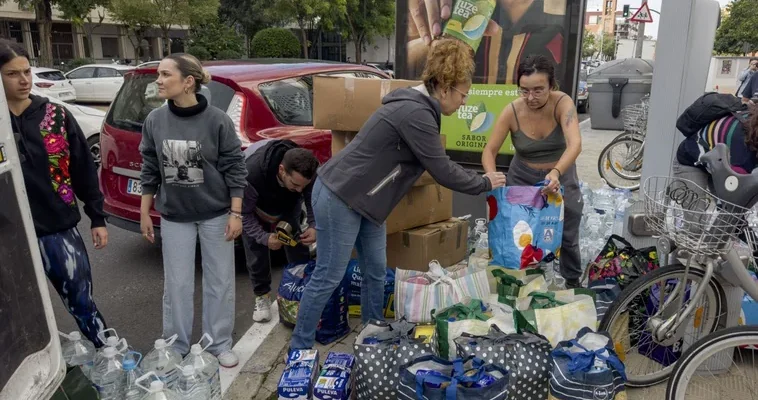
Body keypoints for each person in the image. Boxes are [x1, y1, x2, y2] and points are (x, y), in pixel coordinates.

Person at [289, 38, 506, 350]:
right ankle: (300, 346)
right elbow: (442, 170)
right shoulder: (415, 114)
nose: (463, 102)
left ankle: (373, 328)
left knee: (376, 269)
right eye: (463, 94)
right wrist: (484, 182)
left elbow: (434, 164)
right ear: (444, 87)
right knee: (328, 276)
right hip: (341, 196)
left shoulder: (419, 109)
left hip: (368, 202)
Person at [139, 53, 247, 366]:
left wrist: (236, 213)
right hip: (175, 218)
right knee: (177, 286)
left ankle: (218, 345)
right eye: (158, 74)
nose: (158, 80)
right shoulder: (155, 120)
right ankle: (175, 346)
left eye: (165, 75)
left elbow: (235, 167)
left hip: (216, 215)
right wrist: (146, 212)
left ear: (188, 82)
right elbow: (149, 168)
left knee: (219, 282)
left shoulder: (217, 120)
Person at [0, 39, 109, 346]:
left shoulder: (56, 116)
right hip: (9, 235)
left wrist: (97, 217)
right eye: (12, 74)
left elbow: (84, 170)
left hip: (57, 229)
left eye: (26, 71)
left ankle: (108, 355)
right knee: (16, 313)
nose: (24, 80)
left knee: (82, 303)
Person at [482, 54, 583, 288]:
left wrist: (556, 172)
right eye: (524, 90)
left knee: (567, 229)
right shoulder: (512, 111)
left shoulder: (562, 104)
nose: (530, 97)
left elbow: (575, 144)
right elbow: (489, 151)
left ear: (552, 86)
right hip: (522, 176)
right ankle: (520, 281)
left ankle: (572, 279)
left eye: (538, 90)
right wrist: (492, 178)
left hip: (561, 172)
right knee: (518, 232)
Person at [241, 139, 319, 323]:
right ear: (282, 170)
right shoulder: (250, 174)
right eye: (295, 184)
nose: (299, 189)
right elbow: (242, 214)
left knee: (296, 241)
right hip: (254, 206)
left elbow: (311, 199)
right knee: (256, 249)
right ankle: (262, 296)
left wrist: (314, 226)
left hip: (286, 206)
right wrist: (264, 237)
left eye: (303, 185)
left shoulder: (308, 171)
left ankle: (302, 289)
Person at [406, 0, 567, 84]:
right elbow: (402, 70)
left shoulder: (563, 16)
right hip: (456, 130)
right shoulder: (458, 6)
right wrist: (435, 41)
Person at [674, 106, 758, 187]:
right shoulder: (743, 153)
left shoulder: (753, 120)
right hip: (691, 159)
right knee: (695, 200)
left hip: (719, 160)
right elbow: (736, 189)